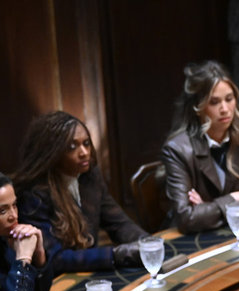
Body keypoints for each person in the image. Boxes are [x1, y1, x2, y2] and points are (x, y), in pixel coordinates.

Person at [14, 111, 149, 273]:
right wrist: (114, 255)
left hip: (90, 272)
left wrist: (149, 242)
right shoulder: (34, 194)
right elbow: (55, 258)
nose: (84, 152)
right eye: (72, 147)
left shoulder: (90, 176)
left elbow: (119, 224)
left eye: (86, 143)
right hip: (57, 280)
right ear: (52, 152)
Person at [162, 61, 239, 234]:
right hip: (197, 239)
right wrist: (236, 199)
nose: (225, 109)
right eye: (214, 102)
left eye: (229, 99)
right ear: (198, 107)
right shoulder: (177, 149)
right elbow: (187, 218)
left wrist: (209, 209)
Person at [0, 172, 52, 291]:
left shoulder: (6, 238)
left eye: (14, 205)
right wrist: (22, 260)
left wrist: (39, 254)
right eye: (3, 211)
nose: (14, 216)